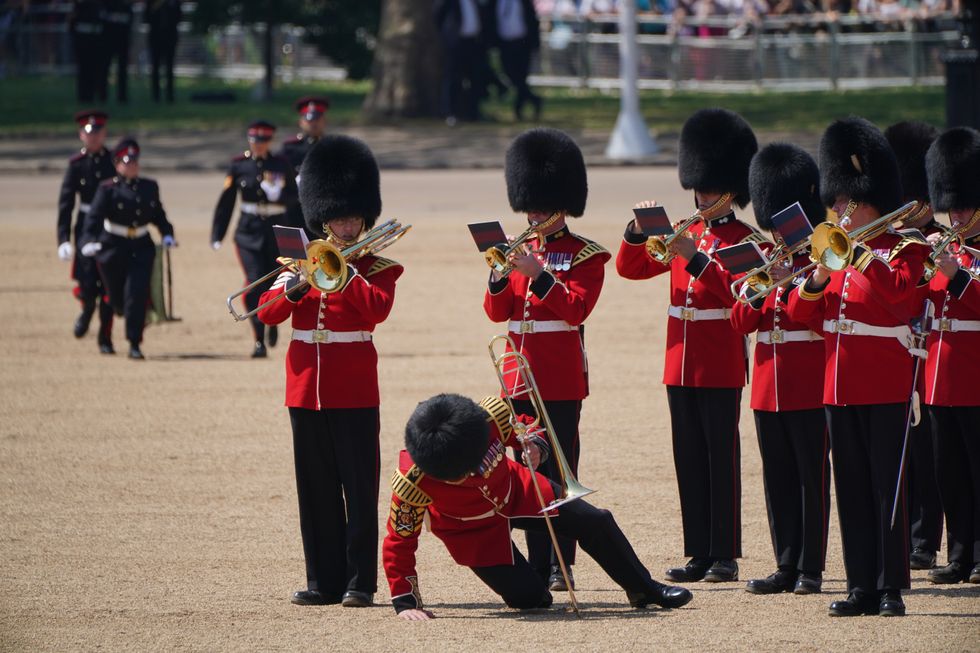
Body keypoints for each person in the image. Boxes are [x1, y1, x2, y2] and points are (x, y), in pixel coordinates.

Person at [785, 117, 930, 617]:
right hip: (838, 383)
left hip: (885, 378)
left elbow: (899, 301)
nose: (841, 212)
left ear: (872, 200)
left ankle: (891, 586)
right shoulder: (833, 254)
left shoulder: (907, 249)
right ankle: (860, 585)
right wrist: (820, 277)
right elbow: (800, 315)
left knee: (884, 485)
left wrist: (861, 256)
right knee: (849, 487)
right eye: (838, 202)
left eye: (848, 202)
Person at [617, 108, 765, 585]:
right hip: (678, 360)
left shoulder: (745, 239)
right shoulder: (688, 229)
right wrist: (636, 234)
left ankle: (725, 552)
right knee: (688, 458)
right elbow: (632, 270)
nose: (700, 195)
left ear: (729, 189)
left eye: (707, 187)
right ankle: (698, 550)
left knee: (720, 457)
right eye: (696, 187)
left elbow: (740, 295)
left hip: (719, 358)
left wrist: (697, 259)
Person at [383, 392, 694, 619]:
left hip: (518, 490)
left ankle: (644, 589)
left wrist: (534, 446)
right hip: (472, 532)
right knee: (532, 599)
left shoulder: (486, 418)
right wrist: (406, 603)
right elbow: (400, 541)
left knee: (595, 520)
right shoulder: (412, 481)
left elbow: (525, 425)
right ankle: (531, 584)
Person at [257, 135, 403, 608]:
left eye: (353, 217)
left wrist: (347, 273)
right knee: (315, 490)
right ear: (323, 217)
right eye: (338, 217)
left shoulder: (378, 267)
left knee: (359, 490)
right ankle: (323, 581)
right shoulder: (299, 262)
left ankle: (360, 582)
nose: (346, 224)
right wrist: (298, 285)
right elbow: (267, 313)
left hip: (354, 388)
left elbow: (376, 311)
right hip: (305, 389)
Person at [483, 127, 610, 592]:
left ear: (563, 204)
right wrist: (499, 278)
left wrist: (538, 277)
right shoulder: (519, 251)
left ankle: (561, 563)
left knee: (558, 471)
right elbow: (497, 313)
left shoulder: (585, 255)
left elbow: (576, 309)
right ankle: (536, 564)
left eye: (541, 206)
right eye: (529, 205)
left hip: (557, 378)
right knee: (524, 469)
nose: (533, 214)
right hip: (517, 376)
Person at [730, 143, 830, 596]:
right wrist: (761, 286)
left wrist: (791, 281)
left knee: (812, 476)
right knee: (778, 478)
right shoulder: (766, 258)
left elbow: (813, 316)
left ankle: (811, 567)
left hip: (807, 378)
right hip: (767, 383)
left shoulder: (822, 259)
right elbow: (740, 321)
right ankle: (785, 563)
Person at [884, 120, 944, 572]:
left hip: (934, 359)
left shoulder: (942, 240)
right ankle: (906, 536)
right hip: (894, 353)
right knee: (899, 454)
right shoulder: (895, 242)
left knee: (931, 454)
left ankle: (927, 538)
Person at [922, 127, 980, 585]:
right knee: (951, 473)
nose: (956, 213)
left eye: (964, 205)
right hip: (939, 376)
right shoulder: (947, 247)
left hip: (975, 373)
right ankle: (960, 554)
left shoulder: (964, 256)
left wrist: (957, 276)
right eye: (952, 205)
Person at [79, 138, 176, 360]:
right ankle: (105, 337)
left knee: (136, 294)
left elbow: (158, 215)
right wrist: (87, 242)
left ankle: (134, 342)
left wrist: (168, 233)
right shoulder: (107, 189)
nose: (132, 165)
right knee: (112, 298)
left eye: (135, 160)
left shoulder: (149, 187)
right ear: (117, 163)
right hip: (113, 247)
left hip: (141, 247)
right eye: (126, 161)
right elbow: (93, 219)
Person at [211, 120, 297, 358]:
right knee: (254, 283)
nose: (258, 145)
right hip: (248, 231)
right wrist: (218, 234)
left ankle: (273, 320)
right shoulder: (239, 165)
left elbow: (295, 197)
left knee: (276, 282)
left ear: (270, 141)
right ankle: (258, 337)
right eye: (254, 140)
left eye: (263, 140)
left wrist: (279, 196)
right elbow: (227, 202)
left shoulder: (281, 163)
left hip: (278, 230)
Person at [57, 110, 117, 353]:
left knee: (108, 285)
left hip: (109, 226)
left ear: (104, 134)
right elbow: (66, 203)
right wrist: (62, 239)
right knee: (87, 280)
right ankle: (86, 309)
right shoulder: (76, 165)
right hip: (84, 226)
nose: (94, 137)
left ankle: (105, 337)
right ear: (81, 135)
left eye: (99, 132)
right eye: (89, 133)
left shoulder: (115, 160)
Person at [278, 96, 329, 231]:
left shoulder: (333, 147)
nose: (313, 123)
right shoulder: (290, 149)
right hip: (296, 212)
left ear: (324, 121)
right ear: (301, 122)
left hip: (325, 213)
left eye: (317, 119)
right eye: (309, 119)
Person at [494, 0, 542, 121]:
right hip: (504, 44)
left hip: (522, 44)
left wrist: (535, 43)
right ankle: (534, 99)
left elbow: (532, 19)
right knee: (512, 76)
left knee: (521, 77)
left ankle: (518, 109)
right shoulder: (495, 2)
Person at [145, 0, 182, 103]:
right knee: (155, 67)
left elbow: (179, 17)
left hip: (170, 38)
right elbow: (147, 17)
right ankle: (155, 96)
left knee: (169, 68)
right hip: (155, 38)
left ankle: (170, 95)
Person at [69, 0, 106, 103]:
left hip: (96, 35)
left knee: (94, 67)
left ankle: (93, 93)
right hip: (82, 36)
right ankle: (83, 95)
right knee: (83, 67)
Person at [101, 0, 131, 103]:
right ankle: (103, 95)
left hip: (122, 35)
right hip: (108, 34)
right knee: (105, 66)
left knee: (122, 68)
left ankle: (122, 96)